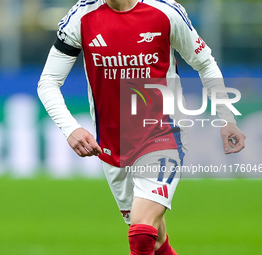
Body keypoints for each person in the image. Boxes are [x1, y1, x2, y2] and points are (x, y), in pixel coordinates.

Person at [37, 0, 246, 254]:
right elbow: (48, 82)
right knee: (155, 240)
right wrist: (70, 128)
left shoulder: (166, 12)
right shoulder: (80, 17)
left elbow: (205, 63)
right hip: (112, 145)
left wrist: (227, 117)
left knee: (141, 232)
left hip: (164, 133)